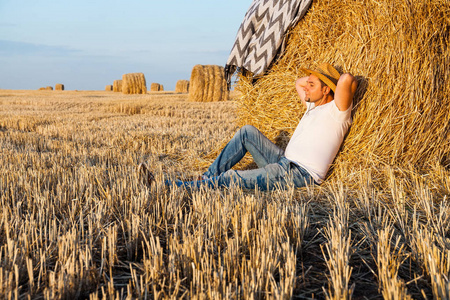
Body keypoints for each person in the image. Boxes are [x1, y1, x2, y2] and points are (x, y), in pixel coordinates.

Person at [139, 63, 358, 191]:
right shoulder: (312, 107)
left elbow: (347, 79)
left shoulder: (337, 113)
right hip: (282, 160)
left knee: (232, 179)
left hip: (299, 173)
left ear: (328, 90)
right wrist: (314, 80)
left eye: (313, 85)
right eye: (308, 85)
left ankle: (167, 187)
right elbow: (297, 83)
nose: (306, 89)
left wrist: (329, 80)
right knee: (247, 132)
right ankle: (207, 177)